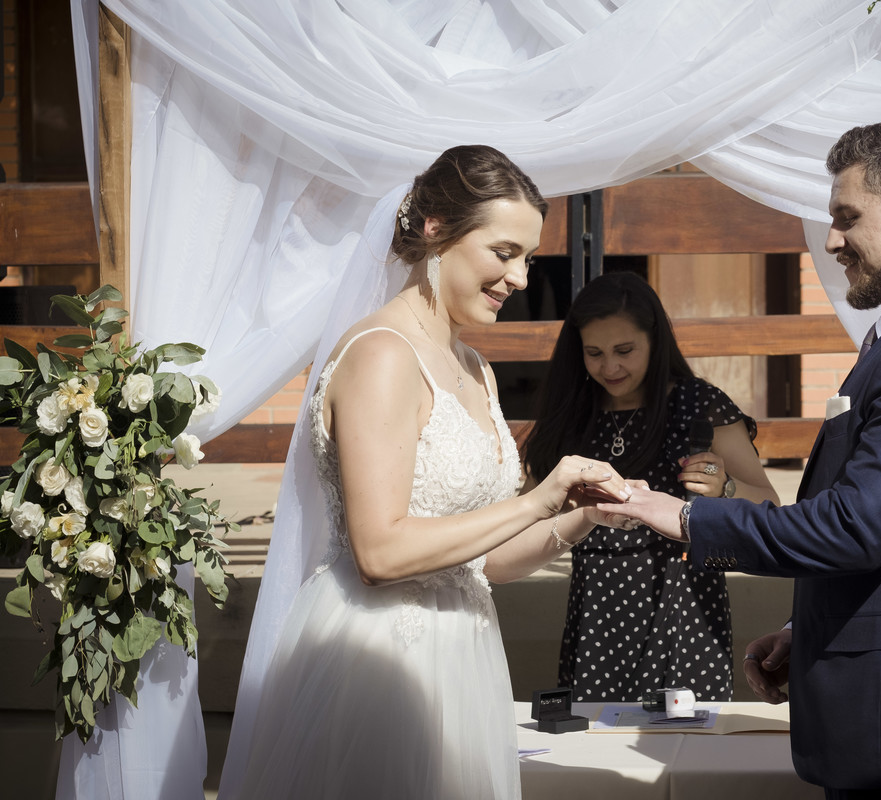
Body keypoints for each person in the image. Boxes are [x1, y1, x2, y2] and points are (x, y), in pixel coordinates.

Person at [600, 122, 881, 799]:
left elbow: (857, 525)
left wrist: (687, 517)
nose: (831, 242)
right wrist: (810, 628)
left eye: (847, 218)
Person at [220, 145, 632, 800]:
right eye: (504, 253)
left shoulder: (473, 367)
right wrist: (535, 500)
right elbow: (380, 551)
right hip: (378, 661)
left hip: (463, 658)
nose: (522, 278)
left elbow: (483, 562)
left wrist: (582, 517)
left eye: (527, 257)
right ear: (436, 228)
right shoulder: (383, 356)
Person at [523, 271, 779, 702]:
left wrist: (725, 488)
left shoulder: (698, 403)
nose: (610, 367)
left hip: (682, 601)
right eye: (594, 353)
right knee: (600, 748)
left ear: (655, 341)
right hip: (596, 608)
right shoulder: (570, 411)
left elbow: (769, 502)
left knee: (684, 748)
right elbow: (529, 509)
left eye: (625, 350)